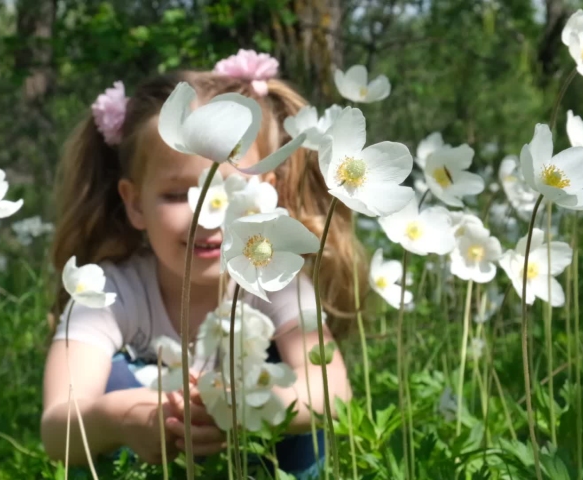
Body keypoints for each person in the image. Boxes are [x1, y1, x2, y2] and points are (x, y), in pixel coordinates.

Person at [41, 50, 363, 478]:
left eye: (229, 192)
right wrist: (119, 417)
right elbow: (57, 426)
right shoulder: (106, 293)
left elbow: (333, 393)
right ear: (134, 203)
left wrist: (244, 407)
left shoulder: (280, 281)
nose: (206, 218)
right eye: (177, 195)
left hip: (260, 461)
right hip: (147, 457)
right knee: (116, 384)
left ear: (268, 192)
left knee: (299, 402)